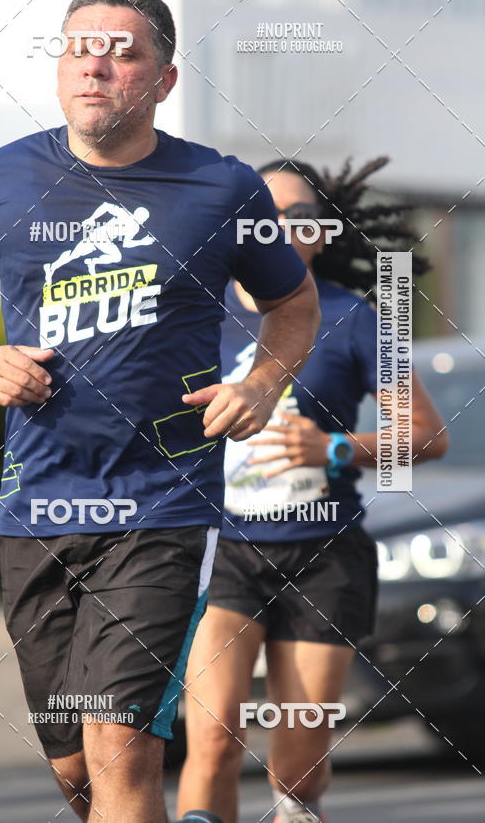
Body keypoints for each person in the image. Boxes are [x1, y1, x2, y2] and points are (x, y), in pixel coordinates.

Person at [0, 0, 320, 823]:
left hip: (162, 503)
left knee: (119, 746)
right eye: (78, 47)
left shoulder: (221, 187)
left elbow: (294, 304)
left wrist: (259, 382)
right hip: (37, 505)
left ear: (163, 80)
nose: (96, 63)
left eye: (123, 51)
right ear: (60, 68)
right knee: (75, 770)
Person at [177, 157, 449, 823]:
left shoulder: (356, 318)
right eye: (259, 213)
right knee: (212, 740)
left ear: (322, 233)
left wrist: (331, 447)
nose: (275, 227)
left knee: (295, 769)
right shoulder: (194, 313)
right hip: (224, 552)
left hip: (323, 559)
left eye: (297, 217)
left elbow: (426, 435)